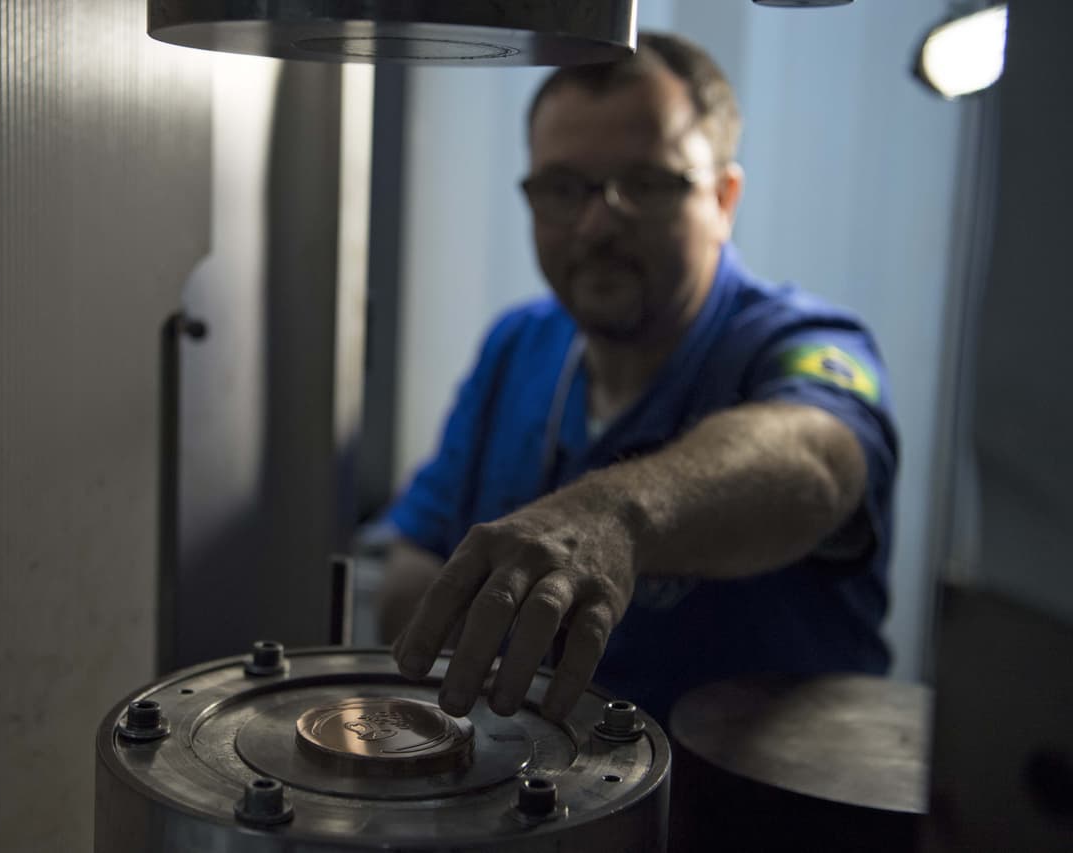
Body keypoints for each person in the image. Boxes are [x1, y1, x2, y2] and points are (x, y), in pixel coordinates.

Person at [378, 32, 898, 726]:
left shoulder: (799, 343)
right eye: (563, 188)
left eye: (646, 184)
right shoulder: (518, 346)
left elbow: (819, 457)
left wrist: (618, 517)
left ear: (723, 198)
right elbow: (423, 546)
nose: (597, 225)